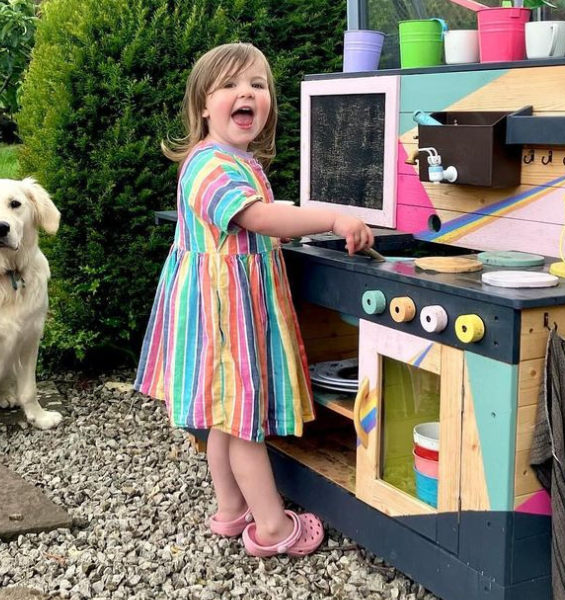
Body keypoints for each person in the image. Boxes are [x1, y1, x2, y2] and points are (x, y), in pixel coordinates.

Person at [135, 42, 374, 557]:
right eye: (229, 86)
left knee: (226, 413)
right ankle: (272, 529)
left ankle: (229, 509)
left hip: (227, 307)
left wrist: (298, 216)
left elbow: (264, 215)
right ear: (203, 104)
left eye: (258, 86)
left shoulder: (234, 160)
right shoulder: (209, 166)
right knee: (243, 422)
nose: (246, 94)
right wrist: (332, 218)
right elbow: (259, 218)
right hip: (223, 313)